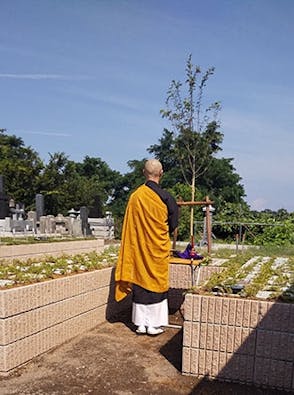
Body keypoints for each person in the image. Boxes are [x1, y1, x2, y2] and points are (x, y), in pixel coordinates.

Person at [115, 159, 178, 336]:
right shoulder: (166, 198)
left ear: (144, 172)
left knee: (141, 283)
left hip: (140, 250)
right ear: (161, 173)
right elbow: (173, 225)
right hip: (157, 249)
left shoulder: (136, 197)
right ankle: (154, 325)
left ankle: (140, 324)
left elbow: (130, 225)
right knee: (156, 284)